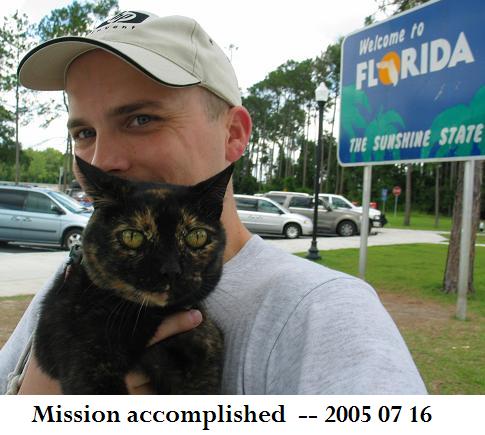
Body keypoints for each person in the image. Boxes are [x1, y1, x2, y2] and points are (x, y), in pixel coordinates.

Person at [0, 11, 426, 394]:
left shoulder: (319, 311)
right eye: (84, 133)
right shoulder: (83, 274)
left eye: (141, 119)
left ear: (234, 135)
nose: (102, 160)